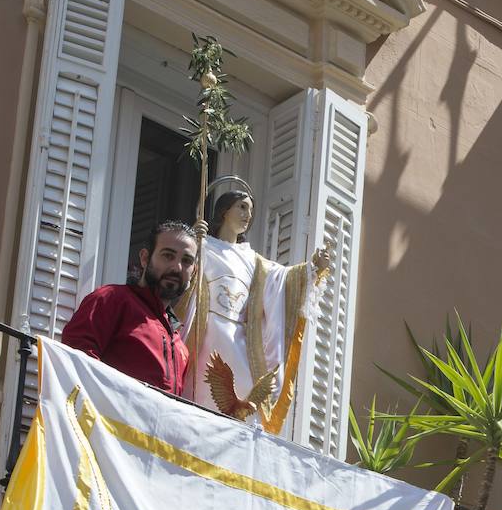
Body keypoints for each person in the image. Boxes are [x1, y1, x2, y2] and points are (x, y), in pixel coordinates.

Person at [179, 181, 330, 434]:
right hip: (205, 337)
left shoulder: (254, 261)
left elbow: (282, 281)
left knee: (238, 408)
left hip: (239, 344)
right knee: (198, 398)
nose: (247, 215)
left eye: (250, 210)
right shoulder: (205, 247)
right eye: (241, 207)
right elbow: (183, 279)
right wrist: (192, 241)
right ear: (224, 211)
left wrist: (312, 269)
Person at [61, 220, 197, 396]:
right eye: (168, 256)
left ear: (194, 271)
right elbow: (76, 359)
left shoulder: (179, 344)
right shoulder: (112, 299)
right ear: (145, 258)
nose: (177, 267)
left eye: (186, 261)